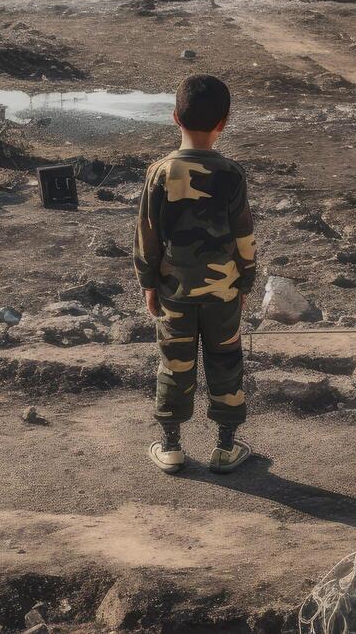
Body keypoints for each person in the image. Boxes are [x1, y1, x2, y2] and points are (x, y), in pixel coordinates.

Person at [134, 74, 256, 474]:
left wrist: (148, 284)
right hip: (223, 291)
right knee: (225, 361)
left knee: (174, 362)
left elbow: (147, 236)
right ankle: (225, 446)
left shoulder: (159, 172)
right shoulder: (232, 174)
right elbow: (244, 237)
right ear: (224, 122)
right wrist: (246, 282)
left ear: (174, 117)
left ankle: (171, 446)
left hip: (174, 291)